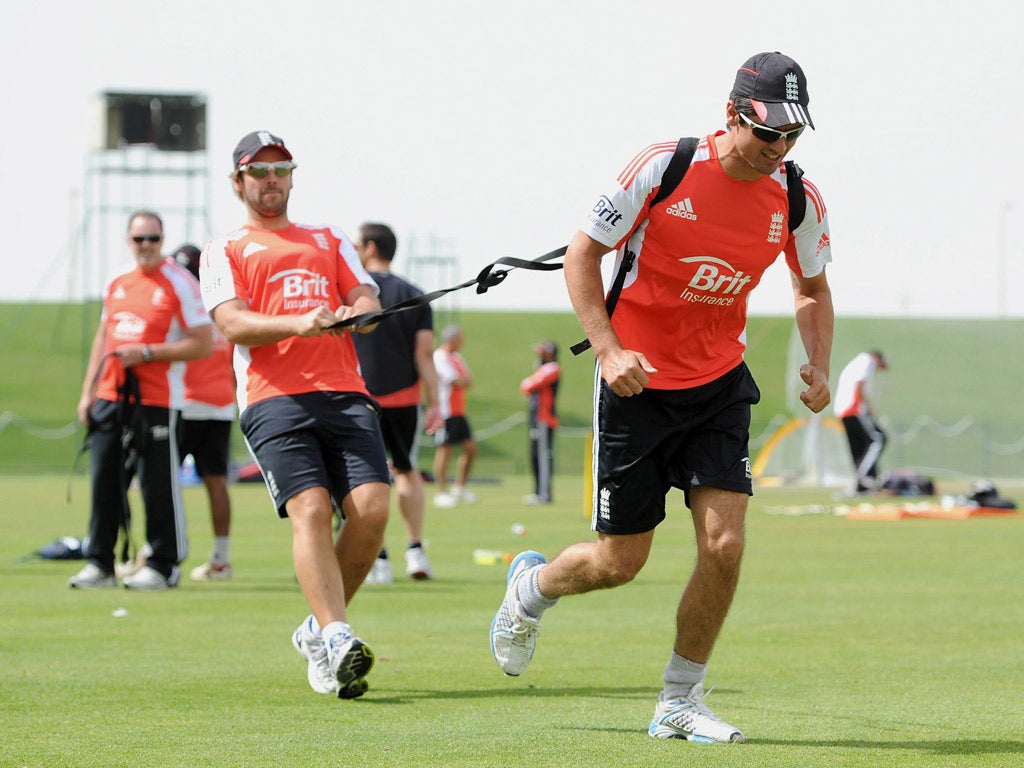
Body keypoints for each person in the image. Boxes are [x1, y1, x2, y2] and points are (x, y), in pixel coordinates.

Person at [489, 52, 834, 744]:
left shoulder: (797, 198)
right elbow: (583, 254)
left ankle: (679, 699)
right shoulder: (664, 166)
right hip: (637, 384)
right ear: (733, 114)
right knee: (620, 563)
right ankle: (531, 591)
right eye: (769, 133)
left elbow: (811, 287)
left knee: (725, 544)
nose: (780, 149)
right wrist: (610, 350)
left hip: (718, 386)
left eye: (793, 136)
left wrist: (819, 364)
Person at [200, 130, 389, 700]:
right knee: (309, 508)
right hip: (271, 397)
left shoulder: (328, 238)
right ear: (238, 183)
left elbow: (370, 302)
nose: (271, 180)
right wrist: (301, 322)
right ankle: (336, 636)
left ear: (292, 175)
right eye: (258, 172)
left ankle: (316, 630)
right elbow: (232, 324)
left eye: (280, 169)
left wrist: (355, 314)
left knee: (372, 512)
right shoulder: (224, 248)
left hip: (344, 391)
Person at [70, 210, 213, 590]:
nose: (146, 246)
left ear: (162, 240)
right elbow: (103, 339)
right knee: (105, 478)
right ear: (128, 241)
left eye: (153, 238)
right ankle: (99, 561)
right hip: (110, 395)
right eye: (139, 239)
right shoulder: (117, 280)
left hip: (158, 397)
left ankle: (164, 564)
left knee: (157, 483)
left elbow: (202, 343)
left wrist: (148, 353)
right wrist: (88, 391)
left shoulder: (180, 283)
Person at [350, 222, 443, 584]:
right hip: (405, 398)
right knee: (406, 471)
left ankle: (379, 559)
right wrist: (435, 402)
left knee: (364, 479)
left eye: (357, 244)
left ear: (370, 247)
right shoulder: (415, 294)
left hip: (359, 398)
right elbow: (424, 354)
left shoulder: (354, 294)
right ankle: (416, 551)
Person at [172, 243, 237, 581]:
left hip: (185, 402)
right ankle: (221, 559)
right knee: (217, 482)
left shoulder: (184, 305)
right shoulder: (221, 308)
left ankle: (161, 552)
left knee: (166, 483)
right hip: (222, 404)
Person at [432, 325, 477, 508]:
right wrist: (462, 381)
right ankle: (441, 492)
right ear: (452, 339)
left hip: (460, 411)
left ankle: (459, 487)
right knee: (445, 450)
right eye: (460, 338)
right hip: (445, 411)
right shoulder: (439, 356)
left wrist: (462, 381)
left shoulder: (457, 357)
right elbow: (455, 380)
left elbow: (468, 380)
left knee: (471, 449)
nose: (462, 341)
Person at [834, 350, 889, 494]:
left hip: (842, 410)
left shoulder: (856, 362)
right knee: (878, 439)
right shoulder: (866, 361)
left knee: (860, 447)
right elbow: (859, 384)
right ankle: (863, 478)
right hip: (854, 409)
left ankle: (863, 485)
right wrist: (869, 408)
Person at [520, 340, 560, 504]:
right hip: (537, 418)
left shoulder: (552, 368)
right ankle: (538, 492)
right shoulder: (543, 368)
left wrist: (527, 384)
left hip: (545, 418)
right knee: (535, 454)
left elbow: (528, 385)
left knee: (543, 456)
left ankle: (544, 494)